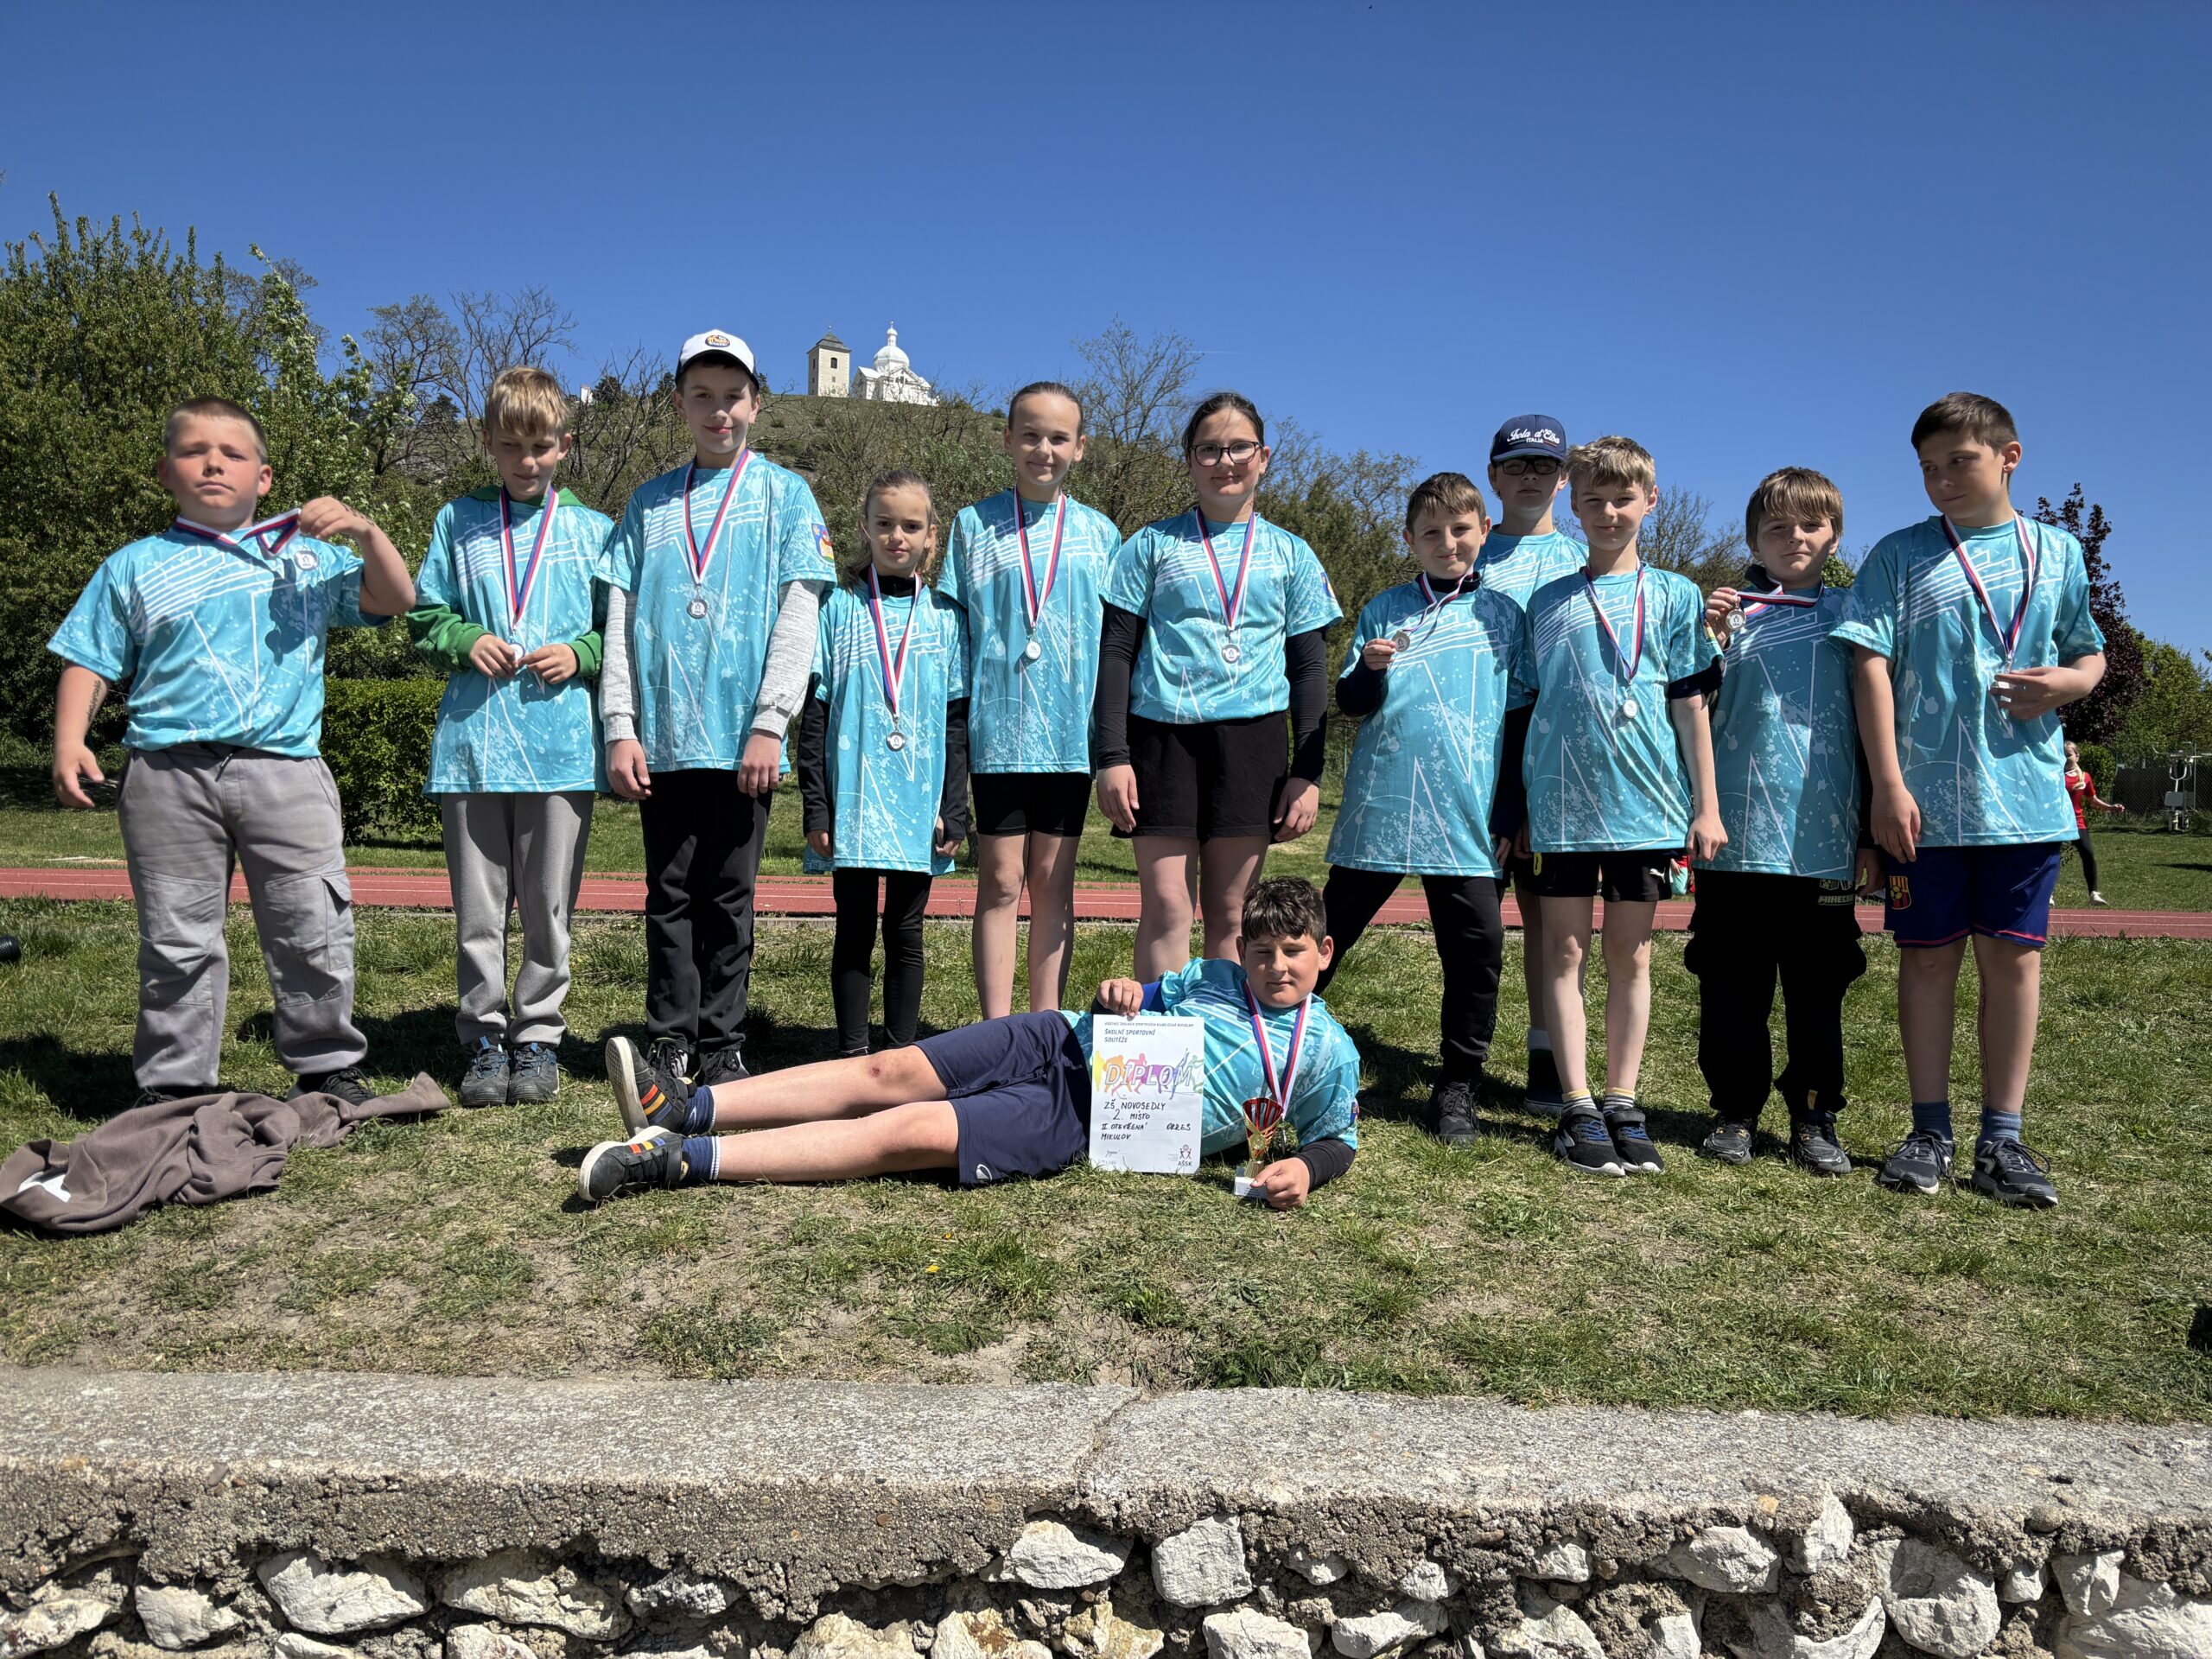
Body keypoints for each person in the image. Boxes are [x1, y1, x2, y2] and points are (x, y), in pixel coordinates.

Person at [48, 396, 415, 1108]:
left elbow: (394, 598)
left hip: (287, 769)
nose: (213, 464)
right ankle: (175, 1084)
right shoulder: (133, 567)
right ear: (165, 472)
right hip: (166, 774)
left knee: (313, 927)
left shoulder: (308, 557)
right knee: (176, 937)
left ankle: (327, 1065)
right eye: (194, 452)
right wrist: (69, 741)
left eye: (233, 454)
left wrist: (366, 531)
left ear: (264, 477)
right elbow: (88, 659)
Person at [580, 876, 1361, 1210]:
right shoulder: (1214, 978)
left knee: (905, 1132)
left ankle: (679, 1161)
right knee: (887, 1070)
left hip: (1079, 1120)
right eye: (1263, 951)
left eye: (1294, 952)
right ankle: (689, 1106)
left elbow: (1338, 1139)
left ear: (1324, 953)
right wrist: (1120, 995)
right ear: (1243, 950)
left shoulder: (1326, 1053)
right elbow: (1139, 1004)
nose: (1277, 966)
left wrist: (1306, 1167)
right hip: (1056, 1038)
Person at [1835, 392, 2107, 1209]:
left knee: (2013, 963)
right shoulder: (1900, 555)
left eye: (1960, 461)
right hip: (1924, 803)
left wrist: (2070, 684)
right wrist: (1888, 784)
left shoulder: (2056, 551)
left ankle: (2003, 1139)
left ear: (2009, 457)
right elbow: (1869, 665)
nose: (1942, 479)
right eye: (1928, 467)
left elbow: (2087, 653)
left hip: (2025, 801)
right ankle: (1929, 1132)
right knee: (1926, 960)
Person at [596, 330, 835, 1102]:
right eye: (701, 395)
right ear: (679, 404)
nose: (718, 410)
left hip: (743, 744)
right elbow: (619, 620)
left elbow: (799, 615)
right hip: (663, 740)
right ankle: (671, 1038)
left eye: (733, 395)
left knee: (730, 896)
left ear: (757, 405)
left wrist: (771, 721)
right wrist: (620, 726)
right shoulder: (648, 502)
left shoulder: (787, 496)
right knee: (668, 895)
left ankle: (724, 1043)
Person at [1512, 435, 1724, 1176]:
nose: (1608, 513)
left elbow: (1692, 707)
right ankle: (1576, 1104)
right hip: (1563, 807)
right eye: (1594, 501)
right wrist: (1521, 806)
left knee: (1631, 956)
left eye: (1623, 499)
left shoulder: (1677, 596)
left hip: (1648, 806)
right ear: (1572, 504)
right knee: (1564, 952)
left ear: (1650, 501)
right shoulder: (1546, 601)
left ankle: (1623, 1101)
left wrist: (1707, 806)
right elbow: (1526, 706)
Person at [408, 368, 611, 1106]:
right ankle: (485, 1039)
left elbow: (619, 633)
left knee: (549, 905)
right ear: (488, 444)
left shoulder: (595, 532)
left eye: (541, 446)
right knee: (479, 908)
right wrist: (465, 639)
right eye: (511, 446)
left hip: (561, 750)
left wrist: (581, 654)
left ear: (565, 444)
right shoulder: (456, 522)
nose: (527, 461)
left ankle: (539, 1039)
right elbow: (423, 614)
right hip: (474, 746)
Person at [1092, 392, 1341, 976]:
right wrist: (1112, 756)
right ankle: (1165, 1034)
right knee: (1167, 909)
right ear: (1189, 460)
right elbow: (1116, 655)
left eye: (1239, 448)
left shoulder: (1292, 555)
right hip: (1161, 740)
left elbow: (1309, 670)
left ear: (1263, 457)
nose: (1224, 461)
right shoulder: (1149, 545)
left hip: (1251, 744)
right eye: (1209, 449)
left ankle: (1220, 1029)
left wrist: (1307, 773)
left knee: (1232, 915)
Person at [1319, 472, 1529, 1143]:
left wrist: (1509, 812)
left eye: (1461, 530)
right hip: (1381, 807)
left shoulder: (1506, 617)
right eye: (1432, 532)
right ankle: (1273, 1046)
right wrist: (1368, 670)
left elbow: (1521, 716)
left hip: (1466, 816)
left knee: (1476, 950)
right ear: (1410, 539)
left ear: (1484, 532)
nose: (1447, 542)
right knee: (1327, 933)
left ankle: (1457, 1085)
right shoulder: (1385, 608)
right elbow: (1350, 703)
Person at [1690, 468, 1878, 1173]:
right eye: (1776, 527)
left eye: (1810, 524)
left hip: (1823, 843)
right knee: (1729, 981)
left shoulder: (1855, 616)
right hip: (1735, 840)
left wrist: (1867, 834)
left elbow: (1876, 728)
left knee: (1819, 984)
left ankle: (1815, 1114)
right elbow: (1688, 713)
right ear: (1752, 541)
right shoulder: (1724, 615)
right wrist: (1705, 639)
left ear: (1834, 535)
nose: (1794, 537)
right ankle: (1735, 1111)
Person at [941, 384, 1120, 1018]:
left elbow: (1116, 643)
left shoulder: (1102, 534)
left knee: (1052, 885)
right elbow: (953, 632)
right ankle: (996, 1032)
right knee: (998, 882)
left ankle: (1043, 1027)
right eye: (1031, 435)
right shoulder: (972, 525)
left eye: (1059, 437)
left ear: (1080, 446)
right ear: (1008, 439)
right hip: (997, 732)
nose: (1044, 449)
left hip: (1070, 738)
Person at [796, 471, 970, 1054]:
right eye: (886, 523)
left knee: (905, 931)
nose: (898, 536)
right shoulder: (838, 609)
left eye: (911, 526)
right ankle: (852, 1054)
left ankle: (897, 1057)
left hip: (920, 804)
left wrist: (954, 807)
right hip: (853, 801)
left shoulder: (946, 618)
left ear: (931, 535)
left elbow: (956, 724)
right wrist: (816, 806)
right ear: (865, 528)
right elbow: (815, 716)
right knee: (853, 930)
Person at [1476, 416, 1590, 1116]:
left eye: (1543, 466)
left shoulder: (1583, 559)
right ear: (1493, 476)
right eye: (1515, 465)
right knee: (1474, 922)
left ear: (1564, 479)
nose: (1529, 478)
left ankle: (1549, 1059)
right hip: (1475, 759)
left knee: (1552, 923)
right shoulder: (1466, 549)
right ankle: (1464, 1058)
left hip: (1555, 763)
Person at [2062, 740, 2121, 906]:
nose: (2065, 758)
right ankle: (2048, 894)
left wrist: (2110, 808)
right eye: (2062, 755)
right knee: (2052, 858)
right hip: (2058, 823)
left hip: (2077, 823)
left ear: (2077, 756)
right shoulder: (2055, 775)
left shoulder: (2084, 777)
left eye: (2068, 755)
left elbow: (2092, 800)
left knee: (2088, 854)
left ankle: (2094, 893)